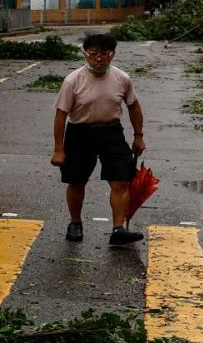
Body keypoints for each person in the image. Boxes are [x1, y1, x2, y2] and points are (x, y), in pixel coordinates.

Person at [50, 32, 146, 246]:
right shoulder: (73, 80)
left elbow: (133, 106)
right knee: (76, 181)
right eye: (93, 54)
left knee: (121, 179)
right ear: (85, 54)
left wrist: (138, 136)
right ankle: (75, 223)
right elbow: (61, 115)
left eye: (105, 54)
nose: (99, 58)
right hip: (80, 133)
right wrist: (59, 149)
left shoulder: (122, 78)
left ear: (113, 54)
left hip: (111, 132)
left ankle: (118, 229)